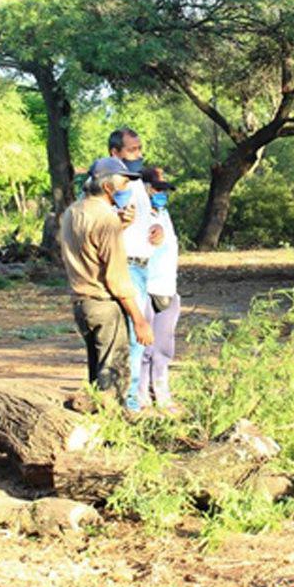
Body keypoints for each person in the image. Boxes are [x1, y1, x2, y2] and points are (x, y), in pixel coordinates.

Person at [57, 157, 154, 403]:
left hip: (82, 305)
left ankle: (94, 431)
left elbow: (89, 246)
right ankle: (113, 433)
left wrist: (118, 226)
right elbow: (117, 278)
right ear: (108, 187)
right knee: (113, 381)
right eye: (123, 184)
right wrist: (139, 320)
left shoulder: (73, 211)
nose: (126, 189)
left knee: (95, 380)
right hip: (105, 305)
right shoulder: (106, 219)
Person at [107, 128, 164, 411]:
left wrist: (156, 232)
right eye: (131, 150)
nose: (138, 155)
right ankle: (129, 405)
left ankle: (127, 400)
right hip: (126, 265)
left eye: (139, 149)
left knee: (137, 338)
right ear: (114, 153)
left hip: (143, 265)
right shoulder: (114, 183)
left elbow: (146, 222)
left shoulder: (137, 182)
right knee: (135, 336)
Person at [137, 166, 183, 413]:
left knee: (164, 347)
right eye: (156, 188)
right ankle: (141, 395)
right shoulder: (137, 214)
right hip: (146, 288)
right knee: (144, 348)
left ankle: (162, 393)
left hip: (167, 287)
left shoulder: (163, 213)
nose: (160, 193)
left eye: (163, 189)